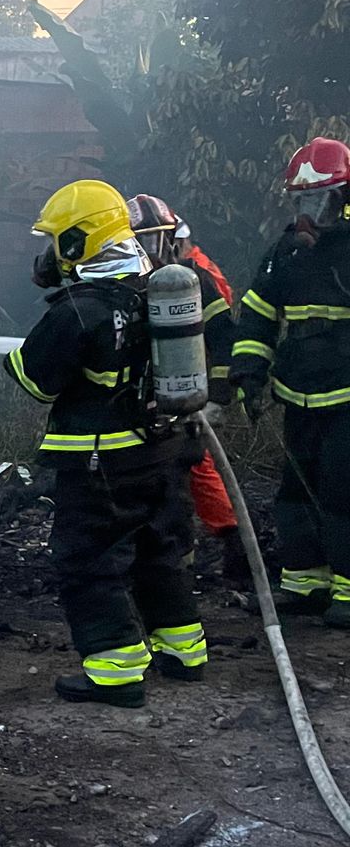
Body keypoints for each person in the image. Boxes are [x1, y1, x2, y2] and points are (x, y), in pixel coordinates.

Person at [6, 180, 207, 708]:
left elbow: (36, 380)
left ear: (77, 242)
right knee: (161, 553)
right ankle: (184, 653)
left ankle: (116, 671)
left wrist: (14, 357)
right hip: (163, 453)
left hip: (102, 463)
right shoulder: (155, 292)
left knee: (91, 559)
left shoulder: (81, 308)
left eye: (57, 241)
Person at [230, 137, 350, 626]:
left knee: (344, 491)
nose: (310, 213)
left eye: (320, 200)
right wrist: (248, 374)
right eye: (303, 201)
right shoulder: (284, 254)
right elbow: (257, 316)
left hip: (347, 397)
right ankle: (304, 584)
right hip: (298, 394)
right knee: (295, 493)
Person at [124, 194, 246, 581]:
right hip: (148, 400)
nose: (148, 252)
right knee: (162, 475)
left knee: (187, 469)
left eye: (154, 240)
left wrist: (219, 396)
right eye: (138, 242)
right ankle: (173, 555)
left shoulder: (190, 281)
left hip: (190, 393)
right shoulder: (129, 284)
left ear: (171, 239)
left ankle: (220, 547)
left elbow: (225, 338)